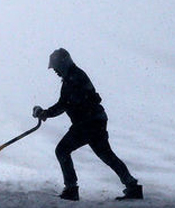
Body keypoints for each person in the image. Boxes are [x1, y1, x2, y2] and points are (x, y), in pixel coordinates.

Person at [33, 48, 143, 201]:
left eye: (56, 67)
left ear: (63, 64)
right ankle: (132, 186)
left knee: (62, 150)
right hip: (93, 121)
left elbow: (66, 103)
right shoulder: (72, 76)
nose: (56, 71)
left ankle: (71, 188)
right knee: (106, 155)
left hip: (88, 123)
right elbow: (66, 103)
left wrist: (46, 113)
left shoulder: (74, 78)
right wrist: (47, 113)